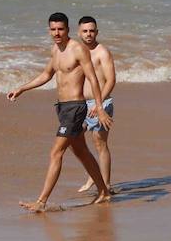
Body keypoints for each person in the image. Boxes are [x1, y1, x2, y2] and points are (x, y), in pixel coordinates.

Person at [7, 12, 112, 212]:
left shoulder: (78, 49)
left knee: (56, 153)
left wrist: (99, 107)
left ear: (67, 29)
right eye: (53, 29)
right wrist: (22, 88)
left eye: (60, 29)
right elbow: (47, 74)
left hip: (75, 107)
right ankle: (104, 192)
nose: (57, 33)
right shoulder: (56, 50)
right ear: (49, 30)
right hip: (62, 108)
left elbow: (93, 78)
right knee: (81, 152)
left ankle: (41, 201)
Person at [75, 15, 117, 194]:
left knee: (100, 142)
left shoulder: (102, 52)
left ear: (97, 32)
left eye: (92, 31)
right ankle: (93, 175)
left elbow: (111, 80)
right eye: (85, 31)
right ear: (79, 33)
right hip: (83, 104)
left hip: (102, 102)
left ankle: (105, 185)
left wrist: (98, 104)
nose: (88, 34)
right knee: (76, 140)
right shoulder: (78, 51)